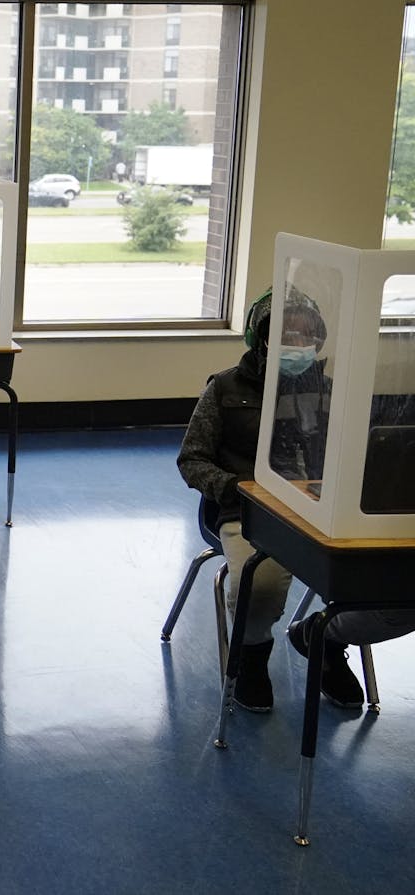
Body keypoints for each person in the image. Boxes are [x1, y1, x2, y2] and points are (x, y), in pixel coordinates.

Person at [177, 290, 354, 711]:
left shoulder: (331, 392)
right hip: (250, 510)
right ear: (261, 339)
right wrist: (233, 488)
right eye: (286, 333)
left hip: (323, 510)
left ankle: (326, 638)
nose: (297, 342)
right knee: (261, 582)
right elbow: (191, 459)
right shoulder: (223, 389)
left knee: (375, 577)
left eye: (306, 334)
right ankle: (252, 656)